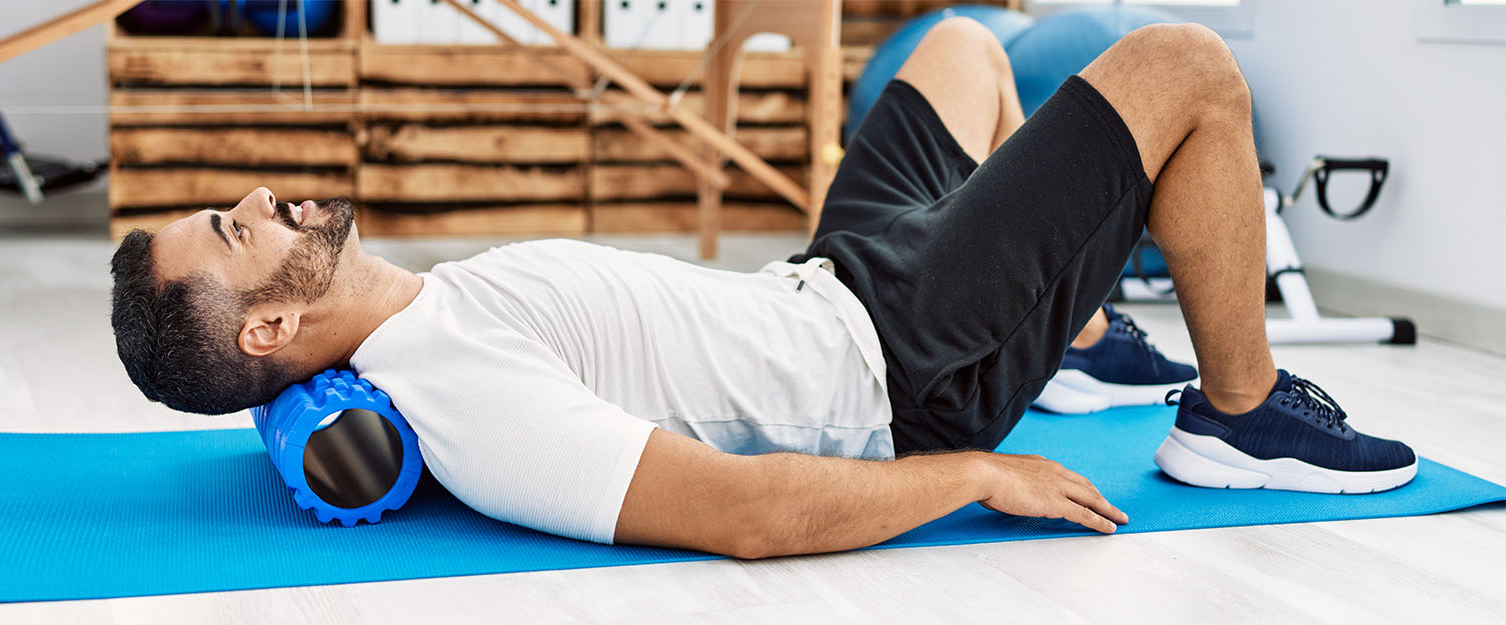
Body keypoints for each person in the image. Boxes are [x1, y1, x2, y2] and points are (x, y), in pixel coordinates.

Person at [108, 21, 1417, 559]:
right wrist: (966, 474)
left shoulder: (409, 328)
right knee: (1185, 66)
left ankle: (1067, 333)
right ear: (271, 325)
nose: (266, 197)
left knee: (961, 41)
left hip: (832, 283)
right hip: (900, 364)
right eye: (237, 227)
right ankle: (1239, 420)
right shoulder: (461, 398)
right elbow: (740, 511)